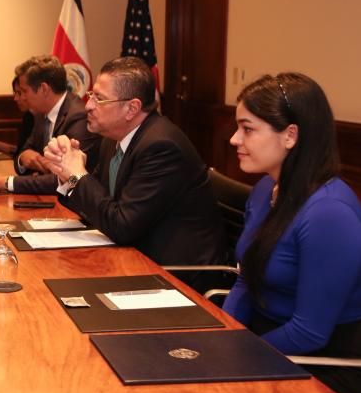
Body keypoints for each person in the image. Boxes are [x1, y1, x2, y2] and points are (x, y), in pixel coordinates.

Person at [222, 73, 361, 393]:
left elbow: (310, 332)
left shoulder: (330, 213)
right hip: (267, 339)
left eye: (248, 128)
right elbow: (246, 280)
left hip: (323, 364)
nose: (233, 139)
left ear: (290, 136)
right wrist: (224, 335)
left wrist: (238, 358)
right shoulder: (263, 191)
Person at [43, 57, 226, 278]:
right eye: (91, 95)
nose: (88, 105)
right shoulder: (113, 138)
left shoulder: (161, 147)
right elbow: (99, 208)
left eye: (99, 99)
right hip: (132, 256)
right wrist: (66, 173)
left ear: (132, 108)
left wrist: (79, 175)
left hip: (174, 275)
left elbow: (122, 226)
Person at [0, 55, 100, 195]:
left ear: (44, 89)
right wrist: (23, 159)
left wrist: (6, 182)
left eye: (24, 91)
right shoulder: (41, 113)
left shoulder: (78, 117)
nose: (21, 97)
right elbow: (24, 152)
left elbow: (68, 180)